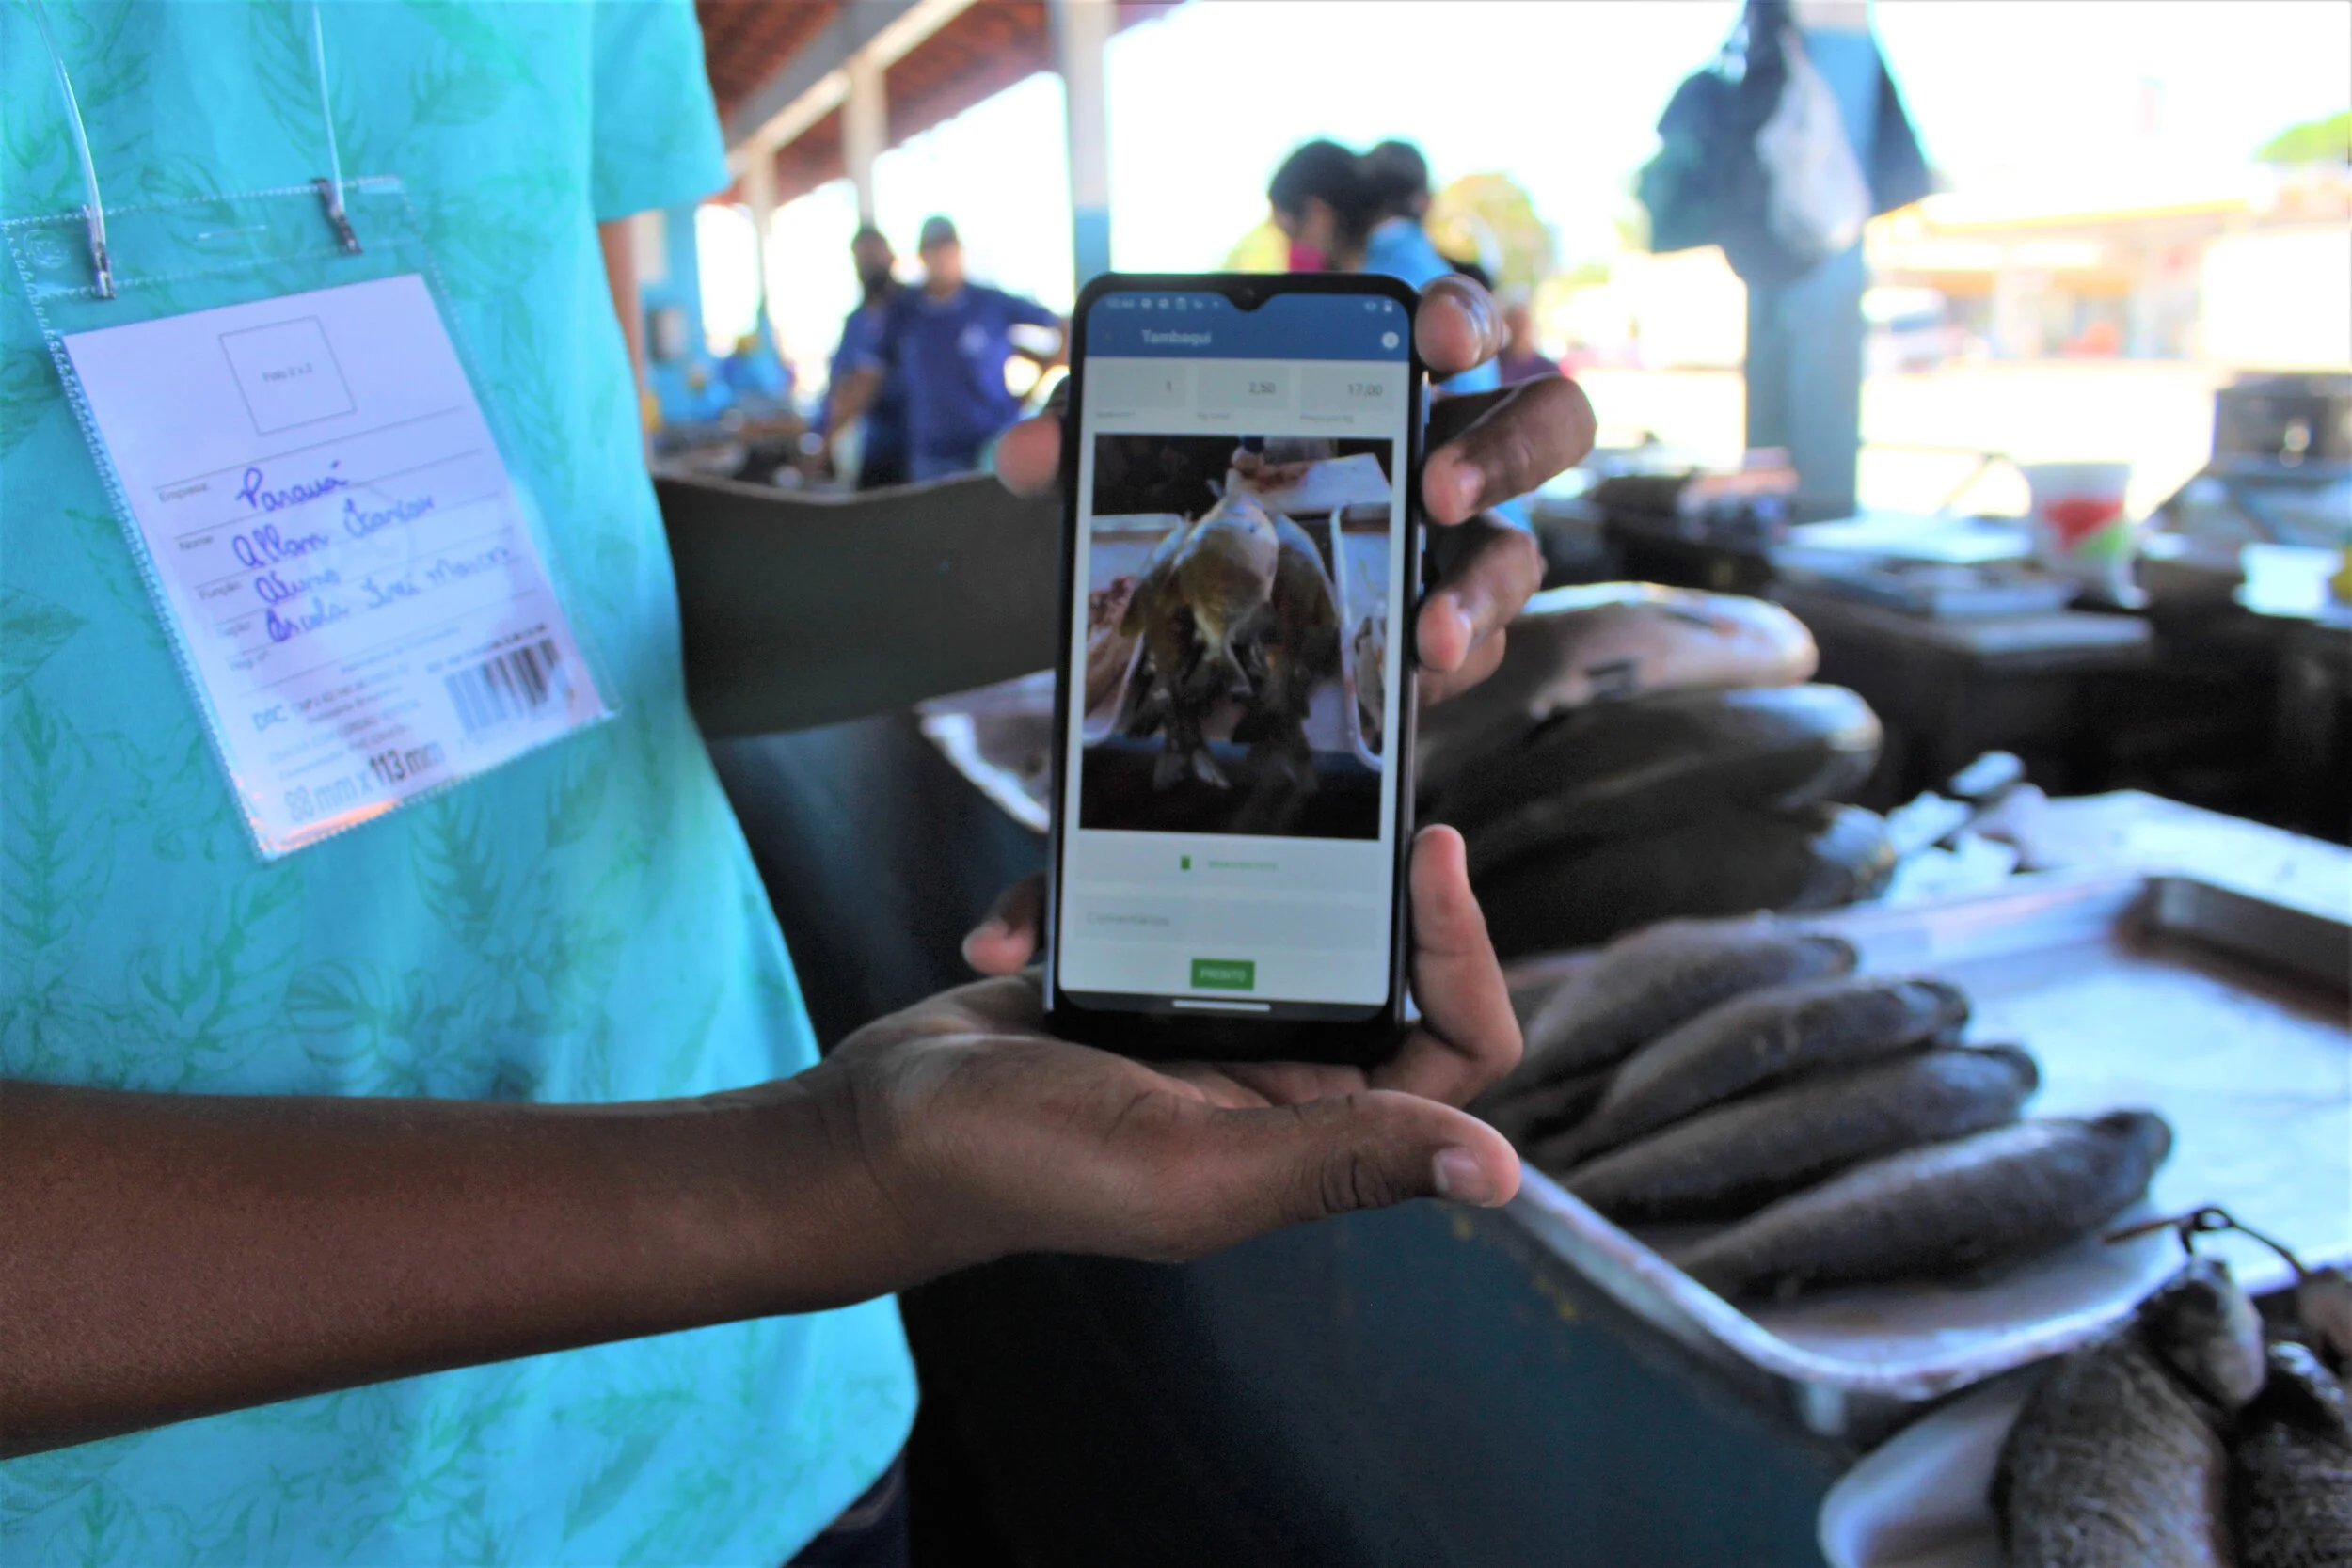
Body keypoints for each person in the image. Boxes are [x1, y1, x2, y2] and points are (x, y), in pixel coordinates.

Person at [1, 7, 1596, 1566]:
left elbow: (564, 558)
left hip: (748, 1420)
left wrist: (1144, 549)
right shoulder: (805, 1183)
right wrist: (810, 1173)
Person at [827, 216, 1062, 483]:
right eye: (933, 250)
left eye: (947, 248)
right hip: (933, 457)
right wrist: (824, 438)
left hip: (992, 447)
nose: (941, 258)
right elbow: (867, 378)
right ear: (922, 255)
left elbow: (1060, 326)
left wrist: (1032, 389)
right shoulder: (903, 310)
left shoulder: (989, 302)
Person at [1270, 139, 1499, 398]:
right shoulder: (1407, 251)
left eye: (1287, 229)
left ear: (1317, 212)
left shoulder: (1381, 286)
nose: (1290, 245)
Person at [823, 225, 912, 489]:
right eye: (861, 259)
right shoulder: (855, 322)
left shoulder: (918, 309)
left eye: (874, 255)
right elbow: (840, 388)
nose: (868, 265)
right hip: (878, 450)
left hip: (925, 451)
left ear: (891, 256)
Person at [1497, 294, 1558, 387]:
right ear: (1507, 323)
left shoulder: (1548, 369)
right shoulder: (1495, 364)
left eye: (1524, 320)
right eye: (1515, 320)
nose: (1520, 326)